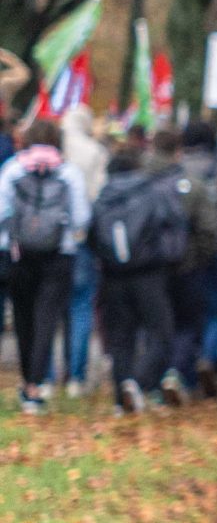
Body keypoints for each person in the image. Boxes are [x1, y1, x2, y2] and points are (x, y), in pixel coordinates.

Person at [91, 136, 189, 413]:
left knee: (120, 336)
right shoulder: (153, 192)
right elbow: (174, 225)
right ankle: (140, 380)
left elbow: (90, 234)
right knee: (161, 332)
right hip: (149, 274)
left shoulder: (104, 195)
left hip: (113, 276)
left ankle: (123, 395)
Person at [1, 120, 89, 413]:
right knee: (46, 320)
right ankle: (38, 385)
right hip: (58, 255)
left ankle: (27, 383)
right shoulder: (68, 172)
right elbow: (80, 218)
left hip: (17, 254)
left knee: (24, 319)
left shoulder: (13, 168)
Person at [171, 120, 217, 391]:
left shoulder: (176, 168)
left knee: (183, 314)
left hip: (182, 255)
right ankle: (208, 357)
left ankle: (180, 369)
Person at [57, 103, 109, 392]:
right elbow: (99, 196)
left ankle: (45, 376)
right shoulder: (94, 151)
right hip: (82, 239)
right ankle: (75, 375)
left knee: (49, 308)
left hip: (45, 241)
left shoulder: (51, 148)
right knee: (80, 305)